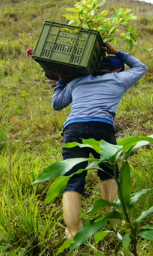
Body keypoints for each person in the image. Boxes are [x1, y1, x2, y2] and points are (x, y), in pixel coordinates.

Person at [51, 43, 148, 239]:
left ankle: (73, 232)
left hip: (73, 129)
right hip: (102, 128)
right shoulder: (119, 78)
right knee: (108, 173)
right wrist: (117, 51)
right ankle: (112, 225)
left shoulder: (78, 80)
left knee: (73, 179)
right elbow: (141, 68)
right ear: (118, 68)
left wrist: (60, 81)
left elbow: (57, 104)